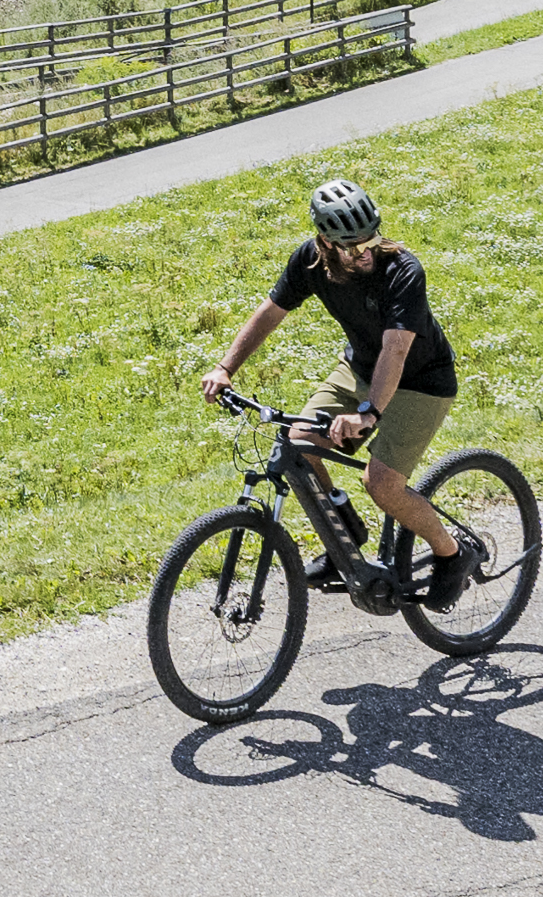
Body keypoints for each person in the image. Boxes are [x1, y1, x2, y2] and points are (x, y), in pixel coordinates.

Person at [204, 174, 482, 601]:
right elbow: (271, 311)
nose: (365, 253)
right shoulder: (310, 262)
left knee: (382, 484)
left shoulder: (402, 270)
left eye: (370, 240)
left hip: (421, 382)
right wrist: (226, 367)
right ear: (326, 242)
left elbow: (396, 349)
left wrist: (370, 413)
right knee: (298, 443)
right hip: (359, 370)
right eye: (353, 247)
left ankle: (451, 554)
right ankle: (344, 536)